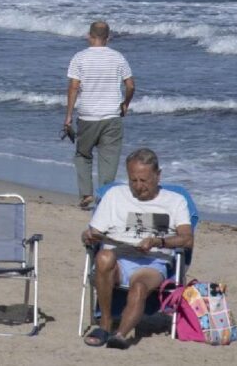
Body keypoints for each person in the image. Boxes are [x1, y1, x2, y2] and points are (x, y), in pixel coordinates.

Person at [81, 148, 193, 349]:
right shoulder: (115, 195)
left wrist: (158, 242)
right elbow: (93, 231)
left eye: (144, 181)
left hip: (152, 261)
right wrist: (88, 235)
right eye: (133, 180)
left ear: (158, 175)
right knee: (104, 256)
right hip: (119, 257)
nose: (139, 186)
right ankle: (105, 324)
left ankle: (121, 334)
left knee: (139, 286)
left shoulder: (175, 201)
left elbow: (187, 239)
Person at [64, 20, 135, 209]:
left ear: (89, 36)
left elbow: (73, 88)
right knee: (109, 159)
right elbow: (130, 85)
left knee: (82, 155)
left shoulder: (80, 58)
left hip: (87, 115)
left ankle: (86, 194)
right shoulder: (118, 58)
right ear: (108, 38)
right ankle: (104, 197)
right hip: (112, 114)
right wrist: (125, 104)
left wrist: (68, 116)